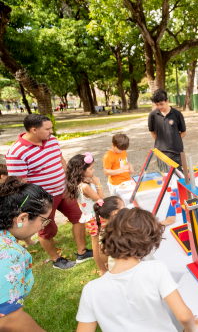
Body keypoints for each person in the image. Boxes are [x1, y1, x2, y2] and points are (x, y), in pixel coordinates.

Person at [75, 208, 198, 332]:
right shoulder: (156, 268)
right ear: (148, 243)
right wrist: (191, 328)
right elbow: (184, 317)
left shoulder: (90, 290)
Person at [6, 114, 91, 270]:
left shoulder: (52, 141)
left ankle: (82, 252)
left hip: (63, 190)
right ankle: (56, 260)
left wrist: (69, 180)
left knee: (79, 218)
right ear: (34, 129)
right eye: (48, 129)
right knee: (47, 230)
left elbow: (61, 160)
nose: (52, 132)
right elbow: (19, 185)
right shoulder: (16, 152)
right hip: (41, 201)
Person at [0, 177, 53, 332]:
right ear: (22, 218)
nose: (43, 226)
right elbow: (9, 320)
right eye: (43, 220)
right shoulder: (8, 253)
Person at [64, 153, 106, 274]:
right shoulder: (84, 186)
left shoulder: (83, 182)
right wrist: (98, 183)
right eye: (91, 168)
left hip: (94, 216)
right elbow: (100, 200)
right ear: (81, 171)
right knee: (96, 244)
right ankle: (102, 269)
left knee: (99, 242)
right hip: (94, 218)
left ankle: (104, 265)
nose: (93, 170)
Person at [148, 89, 186, 169]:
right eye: (157, 105)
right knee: (164, 177)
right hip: (160, 153)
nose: (159, 107)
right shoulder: (152, 115)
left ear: (167, 101)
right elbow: (152, 132)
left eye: (161, 104)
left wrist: (175, 141)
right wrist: (160, 142)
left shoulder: (177, 114)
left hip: (176, 153)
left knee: (178, 176)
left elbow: (183, 132)